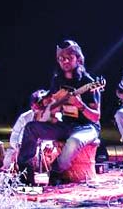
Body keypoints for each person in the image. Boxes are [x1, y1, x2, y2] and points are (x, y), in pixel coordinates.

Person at [16, 40, 101, 186]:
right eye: (61, 58)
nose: (65, 61)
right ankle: (25, 174)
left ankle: (56, 170)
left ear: (78, 59)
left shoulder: (88, 83)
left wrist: (81, 106)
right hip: (66, 125)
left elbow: (96, 116)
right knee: (31, 128)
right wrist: (42, 104)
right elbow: (50, 99)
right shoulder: (57, 80)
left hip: (87, 128)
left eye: (69, 57)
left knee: (74, 141)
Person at [2, 89, 48, 170]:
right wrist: (18, 147)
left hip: (45, 151)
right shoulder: (24, 117)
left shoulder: (53, 116)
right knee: (8, 160)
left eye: (42, 107)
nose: (39, 110)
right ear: (32, 107)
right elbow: (14, 138)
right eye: (36, 107)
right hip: (26, 149)